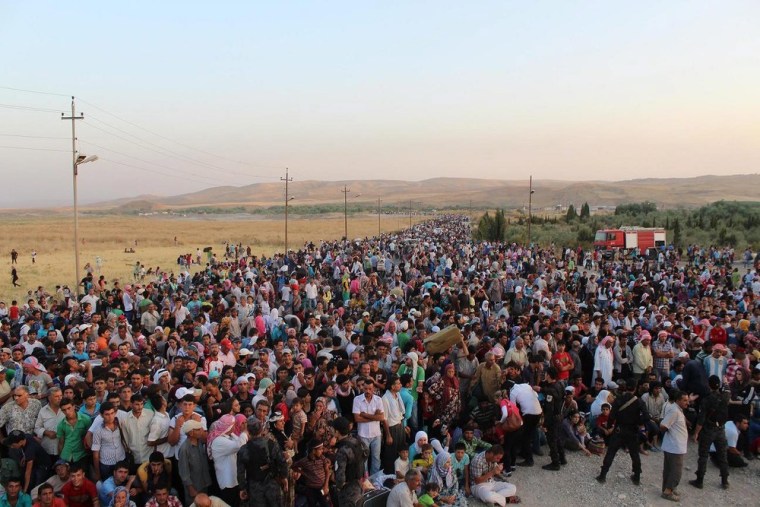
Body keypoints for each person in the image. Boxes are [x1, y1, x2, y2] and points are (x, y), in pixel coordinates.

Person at [596, 380, 649, 485]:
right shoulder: (638, 401)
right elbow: (646, 417)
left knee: (611, 452)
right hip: (632, 430)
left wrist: (610, 425)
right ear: (635, 388)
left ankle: (603, 475)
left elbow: (611, 416)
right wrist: (638, 422)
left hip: (619, 429)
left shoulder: (619, 400)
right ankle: (637, 477)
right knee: (634, 454)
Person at [236, 417, 288, 507]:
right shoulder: (272, 444)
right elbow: (282, 462)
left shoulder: (243, 450)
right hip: (272, 485)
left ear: (248, 430)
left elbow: (240, 472)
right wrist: (284, 477)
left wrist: (242, 488)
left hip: (255, 488)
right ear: (261, 429)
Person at [690, 375, 730, 490]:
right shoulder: (725, 396)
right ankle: (725, 480)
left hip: (709, 429)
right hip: (721, 428)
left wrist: (696, 433)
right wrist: (726, 382)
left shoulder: (706, 400)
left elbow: (701, 419)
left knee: (703, 455)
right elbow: (727, 388)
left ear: (709, 385)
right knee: (722, 455)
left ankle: (700, 480)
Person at [659, 390, 690, 502]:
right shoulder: (674, 411)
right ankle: (668, 491)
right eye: (685, 400)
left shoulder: (677, 410)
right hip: (675, 446)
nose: (687, 403)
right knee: (676, 471)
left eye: (688, 400)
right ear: (678, 400)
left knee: (669, 469)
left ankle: (667, 488)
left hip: (673, 446)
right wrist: (669, 431)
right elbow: (663, 425)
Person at [352, 377, 385, 476]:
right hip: (363, 434)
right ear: (363, 388)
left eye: (370, 389)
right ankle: (365, 479)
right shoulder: (357, 400)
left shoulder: (378, 400)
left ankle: (375, 479)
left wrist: (365, 415)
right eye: (365, 389)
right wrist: (375, 417)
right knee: (364, 459)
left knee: (376, 458)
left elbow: (381, 417)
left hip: (376, 434)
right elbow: (357, 419)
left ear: (373, 389)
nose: (367, 391)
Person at [331, 416, 366, 507]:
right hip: (359, 486)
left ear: (337, 432)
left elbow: (340, 475)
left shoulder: (342, 450)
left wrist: (339, 487)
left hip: (348, 492)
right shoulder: (357, 441)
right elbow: (366, 452)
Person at [177, 419, 212, 504]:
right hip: (194, 487)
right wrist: (191, 488)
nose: (201, 431)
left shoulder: (200, 442)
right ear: (191, 433)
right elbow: (184, 472)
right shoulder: (184, 449)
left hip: (204, 483)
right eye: (198, 429)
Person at [540, 367, 566, 471]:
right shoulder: (560, 384)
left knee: (552, 440)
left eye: (546, 373)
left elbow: (549, 409)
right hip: (560, 415)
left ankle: (555, 463)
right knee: (558, 438)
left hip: (553, 418)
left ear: (549, 375)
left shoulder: (550, 391)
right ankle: (562, 458)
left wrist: (545, 423)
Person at [292, 441, 331, 507]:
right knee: (311, 504)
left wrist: (326, 486)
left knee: (325, 504)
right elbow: (293, 466)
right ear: (313, 450)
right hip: (311, 490)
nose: (322, 451)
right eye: (320, 449)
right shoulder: (304, 461)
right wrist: (302, 472)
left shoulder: (322, 458)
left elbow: (327, 472)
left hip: (322, 488)